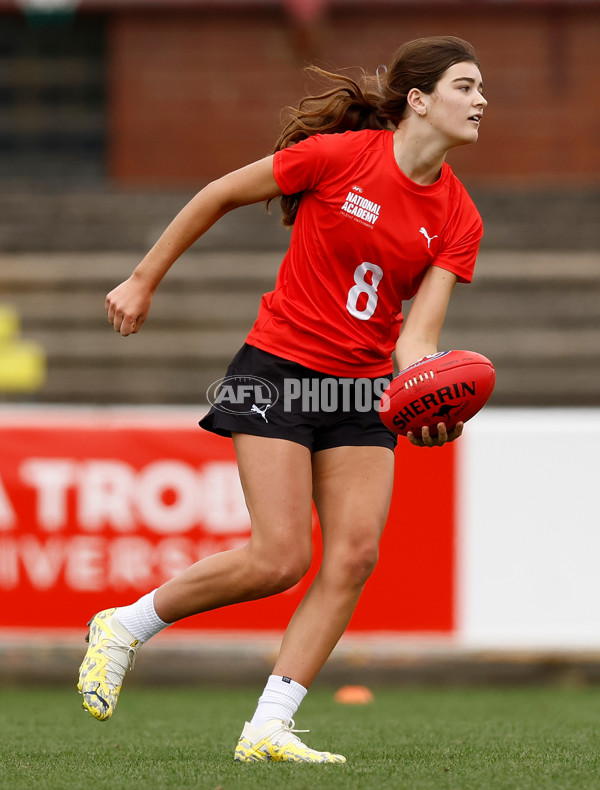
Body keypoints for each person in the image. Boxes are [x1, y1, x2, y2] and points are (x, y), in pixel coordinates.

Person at [77, 35, 487, 763]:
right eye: (465, 85)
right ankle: (125, 625)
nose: (481, 100)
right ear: (418, 100)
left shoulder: (459, 217)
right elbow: (219, 193)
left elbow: (416, 341)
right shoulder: (340, 157)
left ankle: (268, 727)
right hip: (279, 369)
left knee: (355, 557)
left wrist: (431, 406)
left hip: (362, 389)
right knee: (279, 557)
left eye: (481, 89)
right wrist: (143, 279)